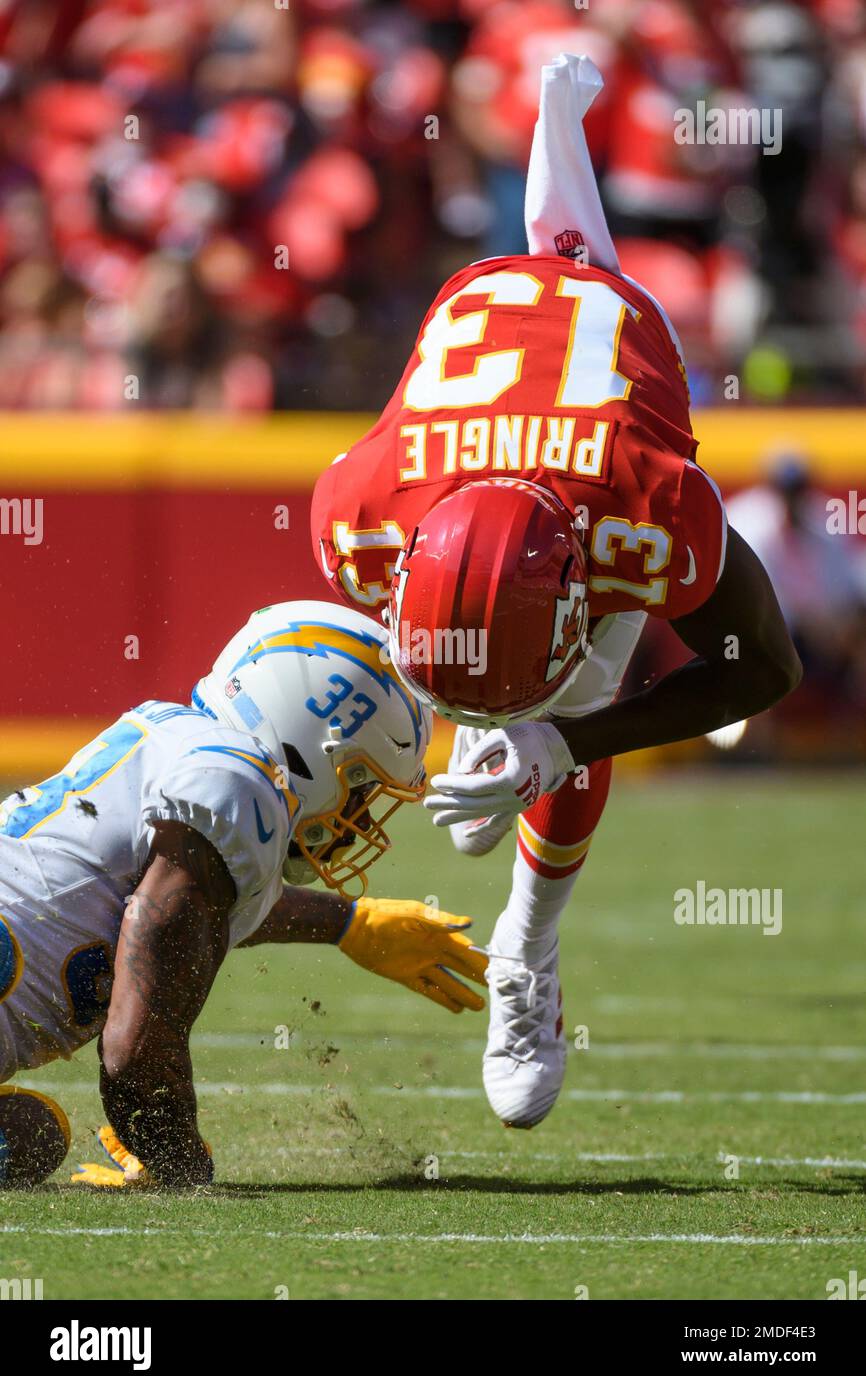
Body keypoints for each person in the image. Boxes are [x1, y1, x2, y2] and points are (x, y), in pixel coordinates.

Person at [310, 56, 800, 1129]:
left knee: (569, 706)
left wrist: (566, 744)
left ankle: (525, 953)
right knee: (499, 706)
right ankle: (502, 721)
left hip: (600, 397)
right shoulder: (366, 505)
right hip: (488, 392)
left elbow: (763, 668)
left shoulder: (642, 498)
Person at [0, 600, 485, 1188]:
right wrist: (180, 1165)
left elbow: (184, 907)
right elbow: (134, 1053)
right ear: (316, 744)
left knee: (28, 1133)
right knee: (29, 1136)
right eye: (360, 786)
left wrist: (346, 923)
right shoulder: (239, 781)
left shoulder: (174, 737)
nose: (358, 816)